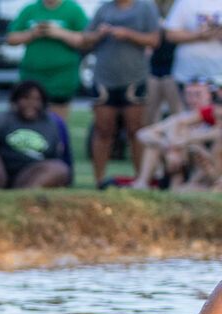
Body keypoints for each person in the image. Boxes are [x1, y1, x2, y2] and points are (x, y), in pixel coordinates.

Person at [83, 0, 162, 187]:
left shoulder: (145, 7)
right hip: (104, 77)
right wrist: (98, 34)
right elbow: (85, 39)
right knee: (102, 130)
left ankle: (141, 180)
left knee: (136, 131)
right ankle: (99, 181)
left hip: (133, 78)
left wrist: (128, 34)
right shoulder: (104, 8)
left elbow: (154, 40)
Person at [0, 80, 72, 189]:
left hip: (30, 174)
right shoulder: (4, 119)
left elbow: (58, 158)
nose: (31, 103)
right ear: (16, 100)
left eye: (37, 99)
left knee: (59, 168)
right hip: (0, 172)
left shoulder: (51, 125)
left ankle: (24, 198)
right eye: (26, 98)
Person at [6, 0, 90, 123]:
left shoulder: (73, 9)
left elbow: (86, 41)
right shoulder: (30, 9)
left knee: (57, 122)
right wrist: (32, 33)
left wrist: (59, 33)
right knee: (24, 118)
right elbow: (11, 38)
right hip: (32, 75)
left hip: (61, 77)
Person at [132, 78, 219, 189]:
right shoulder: (182, 118)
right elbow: (143, 134)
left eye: (198, 94)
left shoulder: (214, 115)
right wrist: (169, 146)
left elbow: (216, 133)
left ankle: (183, 185)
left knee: (190, 144)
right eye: (189, 95)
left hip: (206, 165)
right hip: (179, 162)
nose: (193, 100)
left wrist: (183, 141)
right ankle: (144, 183)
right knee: (160, 143)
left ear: (210, 95)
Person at [163, 0, 222, 87]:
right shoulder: (185, 2)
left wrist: (218, 33)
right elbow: (170, 34)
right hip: (187, 73)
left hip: (218, 74)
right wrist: (198, 35)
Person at [146, 0, 184, 125]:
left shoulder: (179, 6)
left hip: (173, 66)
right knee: (150, 113)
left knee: (177, 113)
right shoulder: (149, 7)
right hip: (154, 65)